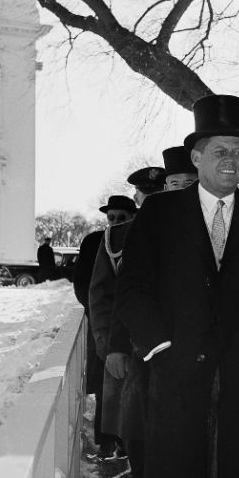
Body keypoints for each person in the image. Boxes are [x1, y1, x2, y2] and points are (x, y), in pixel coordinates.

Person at [109, 94, 239, 478]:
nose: (231, 160)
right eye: (219, 151)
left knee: (233, 467)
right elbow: (132, 290)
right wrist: (159, 348)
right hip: (173, 376)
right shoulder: (160, 213)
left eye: (238, 152)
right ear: (196, 158)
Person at [90, 162, 189, 476]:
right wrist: (110, 346)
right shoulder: (119, 237)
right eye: (174, 185)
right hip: (134, 349)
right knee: (135, 427)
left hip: (189, 350)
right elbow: (107, 296)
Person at [74, 195, 137, 460]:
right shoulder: (96, 241)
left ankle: (125, 442)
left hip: (132, 328)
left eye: (122, 217)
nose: (115, 222)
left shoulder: (137, 237)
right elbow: (84, 283)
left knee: (129, 389)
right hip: (104, 325)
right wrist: (97, 318)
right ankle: (107, 441)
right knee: (105, 386)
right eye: (111, 217)